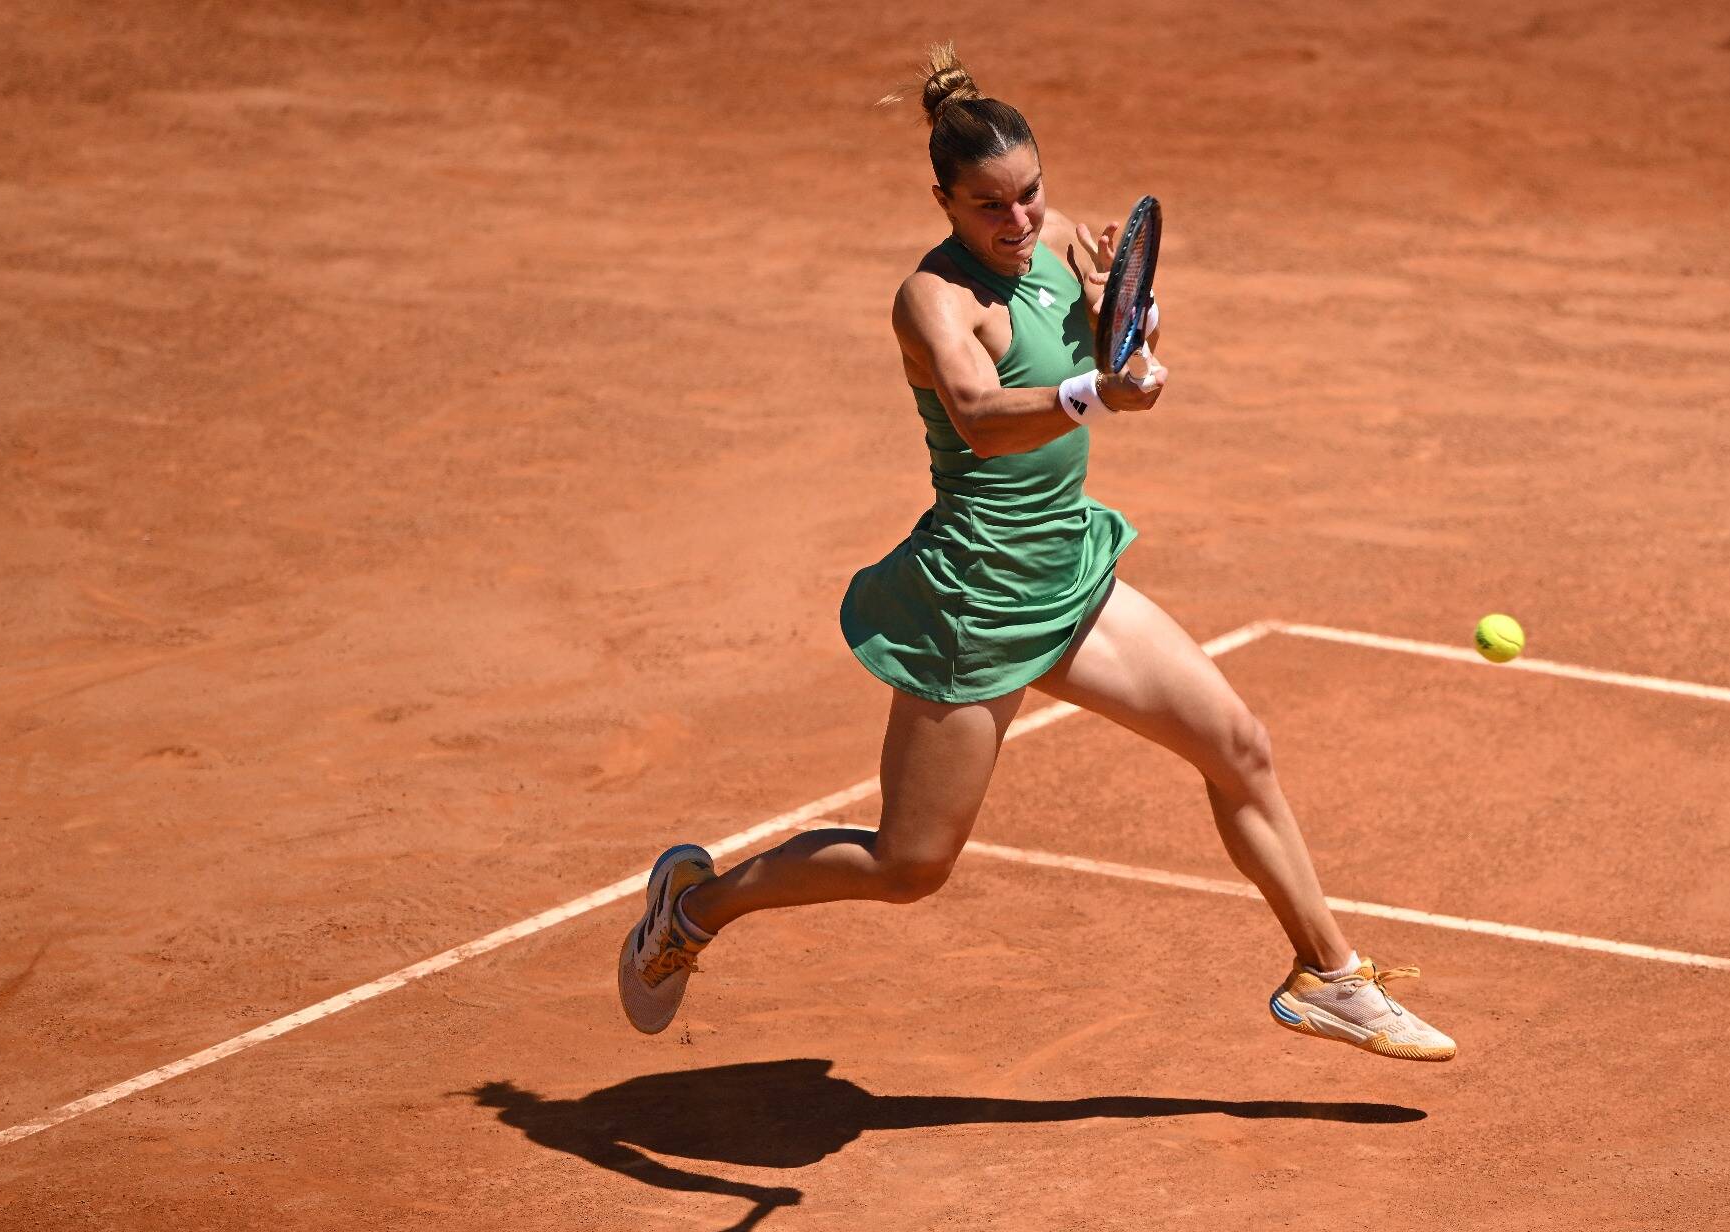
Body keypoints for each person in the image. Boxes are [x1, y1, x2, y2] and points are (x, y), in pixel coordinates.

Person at [619, 45, 1455, 1063]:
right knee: (908, 864)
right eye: (987, 208)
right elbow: (977, 415)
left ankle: (1326, 976)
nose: (1016, 224)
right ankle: (692, 909)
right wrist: (1097, 392)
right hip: (974, 599)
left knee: (1237, 745)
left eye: (1028, 195)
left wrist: (1124, 333)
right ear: (942, 201)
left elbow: (1100, 345)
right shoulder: (932, 301)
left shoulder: (1057, 240)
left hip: (1065, 567)